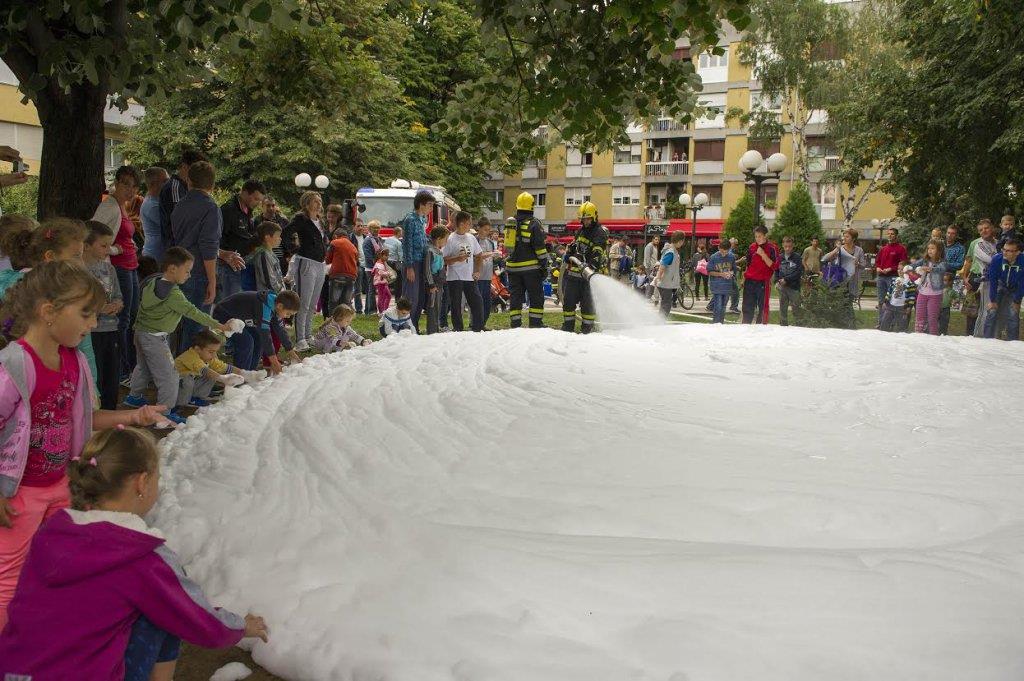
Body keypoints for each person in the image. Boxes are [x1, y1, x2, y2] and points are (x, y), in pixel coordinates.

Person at [0, 426, 269, 680]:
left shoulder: (51, 533)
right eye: (157, 478)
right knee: (167, 605)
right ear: (142, 482)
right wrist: (240, 626)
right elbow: (199, 621)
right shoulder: (142, 557)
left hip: (13, 670)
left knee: (159, 600)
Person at [0, 263, 165, 629]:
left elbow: (83, 419)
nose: (92, 324)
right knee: (7, 578)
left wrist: (134, 416)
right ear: (49, 311)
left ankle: (41, 630)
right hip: (16, 496)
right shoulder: (13, 365)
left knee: (54, 563)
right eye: (86, 314)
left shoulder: (74, 362)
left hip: (60, 486)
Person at [124, 247, 233, 424]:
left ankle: (134, 397)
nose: (189, 275)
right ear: (173, 269)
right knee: (170, 376)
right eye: (187, 271)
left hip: (141, 333)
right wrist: (220, 325)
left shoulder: (153, 281)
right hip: (155, 338)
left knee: (143, 367)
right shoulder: (173, 295)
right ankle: (164, 413)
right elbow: (193, 312)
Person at [92, 165, 143, 379]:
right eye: (126, 184)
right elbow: (94, 238)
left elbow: (121, 234)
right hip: (118, 268)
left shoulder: (122, 206)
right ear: (116, 183)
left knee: (131, 317)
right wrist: (116, 250)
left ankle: (130, 365)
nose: (130, 190)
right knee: (122, 319)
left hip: (130, 266)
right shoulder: (109, 206)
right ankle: (121, 370)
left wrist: (130, 244)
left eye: (134, 186)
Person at [170, 160, 223, 355]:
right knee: (197, 328)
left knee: (180, 325)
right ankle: (191, 369)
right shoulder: (210, 208)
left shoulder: (180, 205)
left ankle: (180, 365)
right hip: (199, 271)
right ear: (212, 184)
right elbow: (208, 247)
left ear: (189, 180)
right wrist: (212, 280)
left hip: (179, 269)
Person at [83, 222, 124, 410]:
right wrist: (100, 309)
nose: (108, 250)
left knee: (111, 375)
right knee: (95, 374)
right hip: (91, 332)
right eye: (103, 245)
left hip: (111, 329)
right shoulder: (79, 271)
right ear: (86, 245)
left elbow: (118, 296)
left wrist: (117, 304)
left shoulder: (109, 269)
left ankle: (110, 413)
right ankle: (95, 414)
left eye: (109, 245)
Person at [212, 289, 301, 374]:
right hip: (224, 316)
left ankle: (251, 372)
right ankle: (241, 375)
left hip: (240, 319)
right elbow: (265, 336)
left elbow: (280, 330)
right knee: (246, 341)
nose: (288, 317)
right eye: (288, 313)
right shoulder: (264, 307)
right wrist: (274, 362)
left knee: (258, 339)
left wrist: (291, 352)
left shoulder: (275, 305)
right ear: (280, 306)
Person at [283, 191, 327, 352]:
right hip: (306, 262)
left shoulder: (320, 221)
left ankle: (308, 335)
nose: (319, 204)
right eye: (315, 201)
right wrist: (294, 250)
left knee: (313, 303)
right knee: (304, 302)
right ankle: (300, 338)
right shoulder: (301, 219)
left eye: (320, 201)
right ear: (307, 203)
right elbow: (285, 233)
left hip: (320, 264)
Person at [175, 329, 260, 409]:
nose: (214, 355)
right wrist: (223, 378)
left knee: (214, 372)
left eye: (215, 352)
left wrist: (246, 373)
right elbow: (204, 370)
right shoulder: (190, 356)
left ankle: (195, 398)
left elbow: (224, 367)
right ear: (197, 349)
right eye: (211, 352)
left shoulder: (207, 357)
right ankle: (177, 407)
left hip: (189, 385)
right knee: (189, 379)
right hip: (176, 388)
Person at [561, 201, 607, 333]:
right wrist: (568, 254)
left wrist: (590, 266)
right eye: (583, 219)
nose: (585, 221)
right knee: (568, 303)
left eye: (588, 219)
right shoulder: (580, 231)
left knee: (587, 307)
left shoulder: (599, 232)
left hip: (588, 277)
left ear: (594, 217)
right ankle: (567, 329)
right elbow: (574, 246)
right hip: (573, 275)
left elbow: (598, 253)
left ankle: (587, 331)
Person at [218, 179, 266, 302]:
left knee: (237, 302)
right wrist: (224, 256)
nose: (257, 203)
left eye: (260, 200)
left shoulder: (248, 210)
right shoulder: (228, 210)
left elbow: (246, 236)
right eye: (256, 199)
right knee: (228, 303)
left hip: (241, 264)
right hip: (227, 265)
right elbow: (218, 238)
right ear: (244, 193)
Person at [505, 192, 548, 328]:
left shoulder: (511, 222)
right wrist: (544, 266)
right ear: (531, 206)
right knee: (536, 297)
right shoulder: (534, 224)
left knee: (515, 298)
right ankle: (535, 324)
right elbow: (540, 249)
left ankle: (515, 324)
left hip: (512, 269)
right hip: (531, 270)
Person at [441, 211, 485, 332]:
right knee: (456, 304)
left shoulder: (471, 237)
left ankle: (478, 327)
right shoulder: (450, 239)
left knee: (477, 302)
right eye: (469, 223)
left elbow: (479, 255)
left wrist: (477, 271)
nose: (470, 225)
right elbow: (443, 259)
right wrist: (457, 259)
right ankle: (458, 329)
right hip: (454, 277)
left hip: (469, 276)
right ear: (461, 224)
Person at [400, 191, 434, 328]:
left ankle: (414, 325)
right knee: (411, 297)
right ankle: (405, 326)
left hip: (421, 262)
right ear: (421, 204)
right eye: (429, 205)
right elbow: (407, 244)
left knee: (420, 298)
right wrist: (409, 267)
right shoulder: (410, 220)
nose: (431, 208)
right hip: (412, 263)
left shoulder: (422, 220)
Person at [963, 218, 999, 337]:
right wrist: (965, 277)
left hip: (994, 280)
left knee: (991, 309)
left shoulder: (999, 243)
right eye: (981, 229)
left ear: (992, 228)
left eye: (986, 228)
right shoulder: (976, 244)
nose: (984, 231)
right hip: (976, 278)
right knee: (972, 310)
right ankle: (971, 336)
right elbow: (969, 260)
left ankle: (989, 335)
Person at [983, 237, 1023, 340]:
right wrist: (992, 300)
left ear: (1017, 252)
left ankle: (1013, 342)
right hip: (1001, 284)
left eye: (1009, 251)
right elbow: (993, 281)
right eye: (1004, 249)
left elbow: (1022, 284)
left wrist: (1017, 301)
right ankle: (987, 340)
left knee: (1013, 313)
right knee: (992, 311)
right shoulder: (997, 259)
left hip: (1016, 287)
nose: (1005, 252)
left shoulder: (1022, 261)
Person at [742, 226, 779, 325]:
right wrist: (744, 279)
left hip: (763, 282)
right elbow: (748, 264)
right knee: (747, 307)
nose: (757, 239)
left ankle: (762, 328)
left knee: (763, 308)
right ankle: (745, 327)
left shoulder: (772, 248)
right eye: (756, 236)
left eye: (760, 236)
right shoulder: (752, 247)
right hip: (750, 280)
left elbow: (775, 266)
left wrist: (763, 254)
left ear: (765, 236)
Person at [912, 238, 947, 335]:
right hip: (922, 293)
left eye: (932, 248)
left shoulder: (942, 262)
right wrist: (909, 267)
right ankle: (919, 335)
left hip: (935, 294)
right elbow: (915, 264)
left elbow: (941, 269)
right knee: (919, 317)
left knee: (932, 318)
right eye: (928, 248)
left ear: (939, 250)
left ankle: (933, 337)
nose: (930, 250)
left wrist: (930, 269)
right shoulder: (925, 260)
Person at [821, 228, 867, 301]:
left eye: (847, 237)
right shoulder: (840, 248)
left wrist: (858, 264)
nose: (844, 238)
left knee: (849, 302)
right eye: (844, 236)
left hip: (852, 280)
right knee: (838, 302)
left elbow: (863, 265)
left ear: (853, 239)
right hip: (839, 278)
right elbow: (824, 259)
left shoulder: (859, 250)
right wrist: (836, 249)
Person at [874, 228, 907, 323]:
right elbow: (877, 262)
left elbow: (903, 263)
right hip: (881, 277)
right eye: (888, 234)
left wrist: (891, 268)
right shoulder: (883, 249)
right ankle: (881, 322)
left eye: (892, 234)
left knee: (891, 301)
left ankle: (890, 323)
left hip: (893, 277)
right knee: (881, 300)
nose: (890, 235)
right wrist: (878, 268)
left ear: (896, 236)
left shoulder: (901, 249)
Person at [325, 222, 359, 313]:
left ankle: (333, 319)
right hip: (351, 276)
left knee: (334, 302)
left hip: (338, 274)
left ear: (336, 236)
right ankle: (344, 320)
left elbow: (328, 260)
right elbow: (357, 261)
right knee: (345, 303)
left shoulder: (335, 242)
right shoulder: (353, 246)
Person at [653, 232, 686, 317]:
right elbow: (663, 265)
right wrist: (658, 277)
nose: (682, 244)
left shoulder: (672, 251)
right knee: (666, 305)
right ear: (680, 241)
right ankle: (660, 322)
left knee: (665, 304)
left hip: (666, 281)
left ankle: (660, 321)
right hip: (665, 282)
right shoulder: (671, 252)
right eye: (683, 241)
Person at [475, 218, 501, 325]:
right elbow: (476, 256)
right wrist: (491, 254)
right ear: (478, 228)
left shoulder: (490, 242)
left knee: (487, 302)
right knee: (478, 302)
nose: (487, 232)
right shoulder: (475, 240)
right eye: (485, 229)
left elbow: (492, 258)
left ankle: (482, 324)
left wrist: (497, 257)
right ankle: (475, 323)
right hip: (477, 276)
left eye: (488, 230)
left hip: (488, 276)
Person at [140, 167, 169, 260]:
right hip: (155, 257)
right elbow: (172, 226)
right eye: (165, 181)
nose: (168, 183)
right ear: (153, 184)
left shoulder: (155, 200)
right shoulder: (152, 206)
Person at [425, 226, 449, 335]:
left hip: (439, 283)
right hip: (433, 283)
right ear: (439, 238)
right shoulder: (430, 250)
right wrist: (431, 284)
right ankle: (432, 330)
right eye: (445, 239)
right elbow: (427, 269)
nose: (446, 241)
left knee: (438, 306)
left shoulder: (438, 251)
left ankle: (436, 328)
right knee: (432, 306)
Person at [256, 196, 289, 274]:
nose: (271, 208)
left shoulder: (283, 221)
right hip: (265, 257)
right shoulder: (256, 222)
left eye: (273, 205)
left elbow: (291, 237)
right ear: (262, 206)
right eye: (268, 205)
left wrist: (289, 254)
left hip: (282, 258)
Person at [707, 238, 737, 324]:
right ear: (719, 248)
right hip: (717, 286)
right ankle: (716, 324)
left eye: (726, 252)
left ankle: (721, 324)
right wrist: (721, 274)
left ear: (729, 249)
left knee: (723, 307)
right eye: (722, 251)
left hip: (727, 286)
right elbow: (709, 271)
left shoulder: (731, 257)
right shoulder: (713, 257)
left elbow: (734, 269)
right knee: (718, 306)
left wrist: (731, 273)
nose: (724, 254)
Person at [775, 236, 803, 326]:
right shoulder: (780, 257)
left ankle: (799, 326)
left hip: (794, 287)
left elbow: (798, 272)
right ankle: (783, 326)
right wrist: (778, 280)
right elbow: (776, 270)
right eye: (786, 246)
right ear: (783, 245)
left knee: (796, 309)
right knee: (782, 309)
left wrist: (786, 279)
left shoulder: (797, 257)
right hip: (782, 287)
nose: (787, 248)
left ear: (793, 246)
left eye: (789, 246)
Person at [251, 221, 285, 294]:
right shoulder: (263, 255)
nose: (280, 239)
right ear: (267, 237)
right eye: (278, 236)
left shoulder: (271, 253)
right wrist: (281, 293)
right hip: (269, 296)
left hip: (277, 294)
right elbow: (269, 281)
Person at [361, 220, 386, 315]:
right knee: (371, 289)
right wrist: (376, 265)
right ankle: (371, 310)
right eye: (374, 228)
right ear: (369, 229)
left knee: (373, 289)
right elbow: (368, 256)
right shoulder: (368, 240)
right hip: (371, 268)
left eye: (378, 228)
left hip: (378, 266)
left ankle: (369, 310)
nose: (376, 230)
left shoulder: (378, 239)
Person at [879, 266, 915, 332]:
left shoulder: (910, 283)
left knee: (902, 328)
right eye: (898, 269)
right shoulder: (894, 280)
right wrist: (885, 301)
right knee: (884, 324)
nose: (900, 271)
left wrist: (909, 307)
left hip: (902, 308)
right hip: (890, 306)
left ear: (907, 271)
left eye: (902, 269)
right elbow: (889, 291)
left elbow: (912, 297)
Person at [371, 248, 394, 314]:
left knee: (388, 296)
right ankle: (381, 312)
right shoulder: (378, 264)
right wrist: (389, 273)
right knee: (381, 297)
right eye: (386, 255)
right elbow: (381, 273)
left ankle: (384, 310)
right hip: (380, 283)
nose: (387, 257)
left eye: (388, 255)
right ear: (381, 255)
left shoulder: (383, 263)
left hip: (383, 282)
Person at [384, 225, 404, 297]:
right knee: (398, 280)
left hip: (387, 262)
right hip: (394, 262)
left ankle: (385, 295)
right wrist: (402, 263)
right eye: (401, 232)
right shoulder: (398, 243)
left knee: (387, 279)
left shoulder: (388, 239)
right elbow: (400, 255)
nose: (402, 233)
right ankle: (397, 297)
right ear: (398, 232)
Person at [939, 272, 957, 336]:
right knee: (935, 322)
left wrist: (954, 301)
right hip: (937, 308)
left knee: (944, 323)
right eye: (943, 280)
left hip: (946, 309)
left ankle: (943, 334)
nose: (944, 282)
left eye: (946, 280)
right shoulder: (938, 289)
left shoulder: (952, 291)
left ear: (950, 282)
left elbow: (957, 297)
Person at [728, 237, 742, 313]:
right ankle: (733, 307)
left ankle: (710, 306)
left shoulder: (730, 251)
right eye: (736, 244)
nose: (737, 246)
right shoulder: (730, 251)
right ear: (732, 244)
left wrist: (736, 267)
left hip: (729, 274)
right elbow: (730, 263)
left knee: (724, 291)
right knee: (735, 292)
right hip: (729, 274)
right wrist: (740, 261)